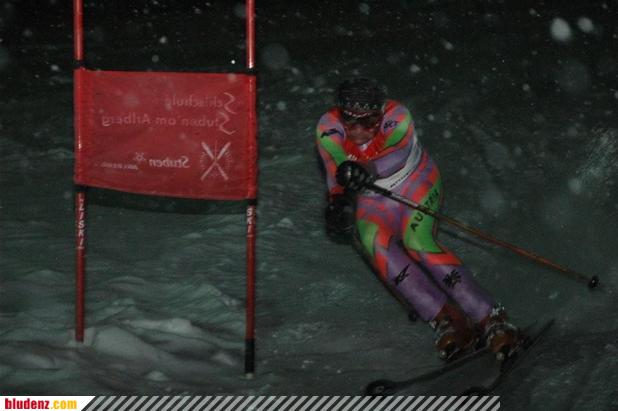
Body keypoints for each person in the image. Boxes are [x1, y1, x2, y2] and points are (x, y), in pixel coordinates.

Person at [315, 78, 519, 361]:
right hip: (373, 200)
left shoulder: (398, 116)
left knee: (417, 241)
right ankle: (446, 319)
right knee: (377, 246)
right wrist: (337, 201)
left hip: (415, 184)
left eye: (369, 121)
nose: (359, 130)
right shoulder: (327, 126)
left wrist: (365, 168)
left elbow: (396, 156)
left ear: (380, 113)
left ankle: (489, 316)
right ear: (340, 115)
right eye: (350, 121)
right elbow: (335, 164)